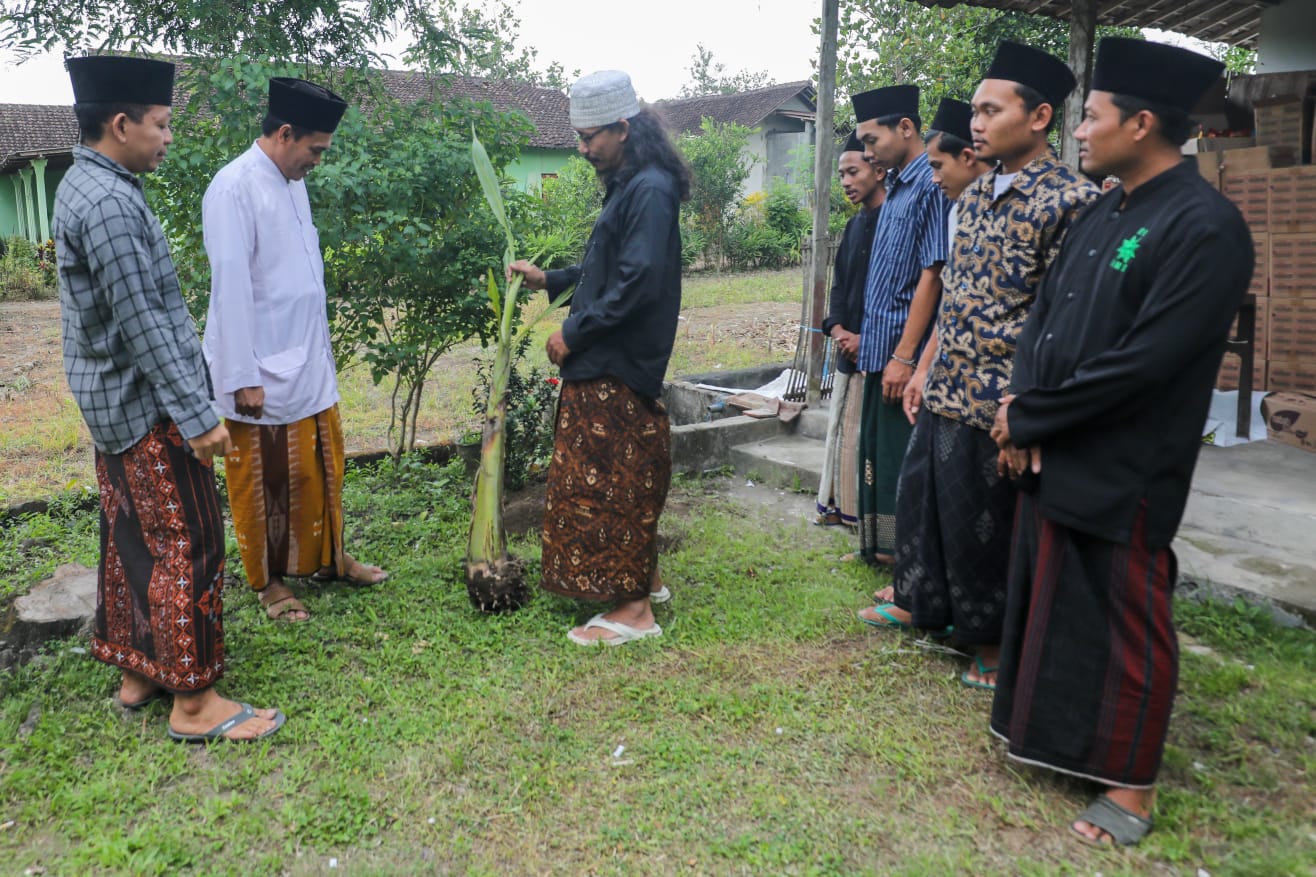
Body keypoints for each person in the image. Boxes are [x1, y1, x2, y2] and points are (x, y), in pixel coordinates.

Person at [989, 38, 1248, 846]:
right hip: (1056, 441)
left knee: (1127, 611)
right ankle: (1061, 738)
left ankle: (1130, 786)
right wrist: (1020, 405)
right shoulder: (1107, 206)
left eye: (1091, 118)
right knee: (1060, 601)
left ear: (1141, 124)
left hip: (1129, 459)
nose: (1077, 132)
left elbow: (1145, 363)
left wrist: (1035, 417)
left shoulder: (1205, 226)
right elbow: (1048, 315)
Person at [53, 55, 283, 742]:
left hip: (110, 402)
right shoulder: (111, 204)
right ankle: (194, 702)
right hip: (145, 403)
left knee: (132, 537)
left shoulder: (85, 184)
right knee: (191, 539)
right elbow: (144, 323)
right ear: (120, 124)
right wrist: (198, 415)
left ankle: (140, 670)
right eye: (161, 124)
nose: (168, 136)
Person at [867, 46, 1101, 696]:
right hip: (949, 386)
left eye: (991, 109)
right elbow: (956, 292)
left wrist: (1029, 406)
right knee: (925, 505)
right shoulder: (970, 199)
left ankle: (995, 645)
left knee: (986, 528)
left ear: (1039, 117)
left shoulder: (1070, 201)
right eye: (974, 109)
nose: (975, 122)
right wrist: (922, 365)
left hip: (1003, 398)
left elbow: (1065, 320)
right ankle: (924, 605)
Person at [506, 71, 690, 645]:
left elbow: (637, 282)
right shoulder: (632, 183)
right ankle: (646, 578)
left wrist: (573, 331)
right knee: (625, 476)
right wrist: (550, 280)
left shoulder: (650, 189)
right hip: (608, 358)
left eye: (590, 138)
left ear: (623, 128)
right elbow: (608, 268)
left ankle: (634, 610)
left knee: (610, 482)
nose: (582, 149)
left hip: (616, 361)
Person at [202, 77, 387, 624]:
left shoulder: (291, 178)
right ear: (285, 133)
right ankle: (269, 583)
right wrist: (241, 376)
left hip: (307, 360)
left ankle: (330, 559)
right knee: (264, 482)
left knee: (321, 470)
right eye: (315, 149)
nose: (318, 161)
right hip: (260, 369)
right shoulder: (234, 187)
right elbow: (229, 287)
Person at [849, 85, 950, 570]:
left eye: (872, 141)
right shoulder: (895, 189)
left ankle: (901, 555)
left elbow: (933, 272)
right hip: (879, 346)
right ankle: (878, 548)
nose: (868, 153)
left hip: (901, 354)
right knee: (875, 453)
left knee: (897, 459)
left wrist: (906, 357)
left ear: (905, 128)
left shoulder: (931, 186)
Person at [816, 131, 887, 529]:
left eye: (852, 171)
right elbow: (840, 284)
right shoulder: (853, 226)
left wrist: (867, 339)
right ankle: (838, 506)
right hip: (847, 346)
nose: (845, 182)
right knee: (840, 432)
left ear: (878, 170)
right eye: (841, 174)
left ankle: (867, 517)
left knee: (865, 437)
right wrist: (838, 328)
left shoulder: (894, 220)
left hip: (875, 350)